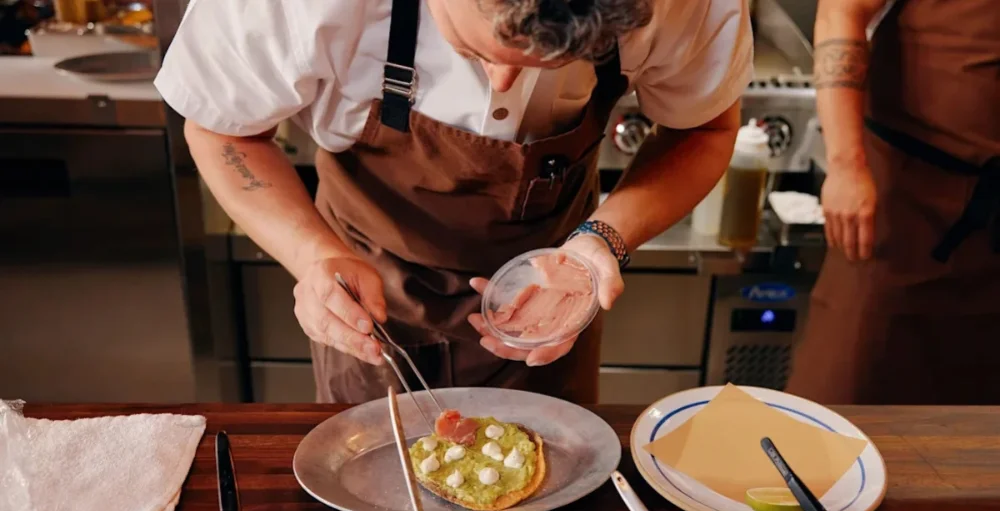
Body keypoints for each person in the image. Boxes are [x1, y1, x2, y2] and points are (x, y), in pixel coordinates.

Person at [155, 0, 752, 404]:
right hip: (369, 280)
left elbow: (704, 129)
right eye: (477, 52)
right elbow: (221, 130)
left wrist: (605, 239)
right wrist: (312, 257)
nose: (499, 84)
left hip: (553, 282)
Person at [787, 0, 1000, 404]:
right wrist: (846, 164)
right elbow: (841, 11)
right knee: (844, 389)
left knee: (976, 437)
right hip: (905, 202)